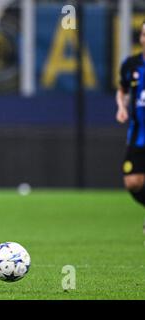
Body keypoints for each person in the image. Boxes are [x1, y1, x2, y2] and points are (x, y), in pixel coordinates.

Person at [116, 21, 145, 233]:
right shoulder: (131, 65)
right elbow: (122, 90)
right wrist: (121, 107)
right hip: (138, 133)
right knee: (133, 182)